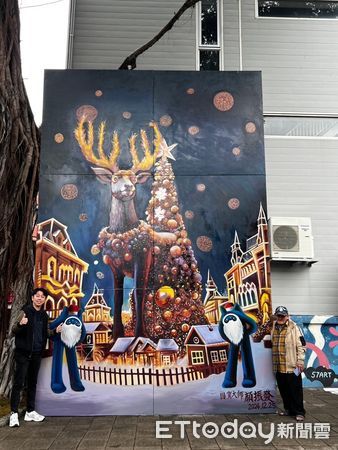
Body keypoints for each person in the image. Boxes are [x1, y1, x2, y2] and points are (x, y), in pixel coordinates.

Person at [9, 287, 61, 427]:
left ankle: (30, 411)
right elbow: (14, 330)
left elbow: (46, 333)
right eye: (37, 296)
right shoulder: (25, 312)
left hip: (37, 353)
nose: (39, 298)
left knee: (32, 383)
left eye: (42, 297)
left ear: (44, 300)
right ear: (32, 298)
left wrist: (55, 331)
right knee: (19, 383)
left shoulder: (44, 315)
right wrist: (21, 324)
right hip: (23, 353)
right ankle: (13, 413)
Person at [271, 305, 306, 422]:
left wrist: (300, 361)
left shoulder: (294, 327)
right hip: (279, 365)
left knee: (295, 390)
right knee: (284, 389)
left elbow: (301, 345)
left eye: (282, 315)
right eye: (278, 315)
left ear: (287, 316)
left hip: (291, 365)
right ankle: (289, 409)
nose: (280, 317)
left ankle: (299, 412)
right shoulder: (274, 326)